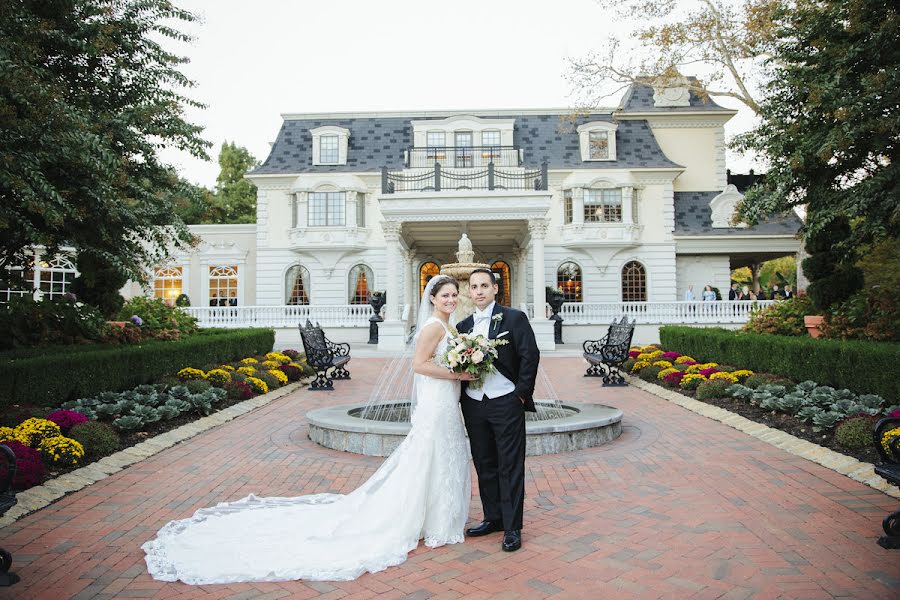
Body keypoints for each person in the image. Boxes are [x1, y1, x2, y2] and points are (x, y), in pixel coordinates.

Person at [142, 275, 478, 584]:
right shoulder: (434, 327)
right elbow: (419, 365)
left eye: (453, 295)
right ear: (432, 298)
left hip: (445, 401)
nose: (450, 299)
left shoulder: (447, 327)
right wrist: (458, 375)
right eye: (444, 295)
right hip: (437, 402)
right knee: (429, 454)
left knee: (440, 455)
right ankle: (420, 519)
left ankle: (432, 518)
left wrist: (462, 368)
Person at [455, 269, 539, 553]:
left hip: (506, 401)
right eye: (474, 286)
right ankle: (493, 518)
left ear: (494, 289)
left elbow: (530, 355)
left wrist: (520, 395)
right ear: (469, 291)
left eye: (484, 286)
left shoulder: (513, 318)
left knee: (510, 464)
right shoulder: (464, 326)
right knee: (484, 462)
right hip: (474, 403)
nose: (478, 291)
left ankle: (512, 526)